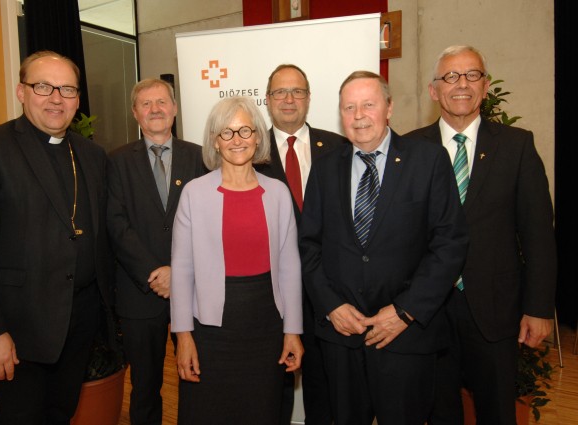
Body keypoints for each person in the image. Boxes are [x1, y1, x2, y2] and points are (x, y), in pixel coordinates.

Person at [0, 50, 114, 424]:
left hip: (79, 321)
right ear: (22, 92)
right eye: (43, 86)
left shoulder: (91, 154)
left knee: (60, 413)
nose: (56, 98)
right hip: (19, 328)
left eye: (67, 89)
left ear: (78, 99)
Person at [299, 71, 468, 425]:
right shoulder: (325, 168)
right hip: (342, 336)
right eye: (349, 107)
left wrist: (405, 311)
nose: (358, 115)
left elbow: (449, 244)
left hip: (406, 335)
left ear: (389, 108)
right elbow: (308, 245)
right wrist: (330, 305)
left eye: (368, 105)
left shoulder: (428, 160)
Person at [406, 45, 557, 425]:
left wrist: (538, 309)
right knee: (439, 413)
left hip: (495, 311)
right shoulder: (408, 149)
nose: (462, 84)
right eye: (450, 77)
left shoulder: (517, 146)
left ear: (486, 86)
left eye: (472, 75)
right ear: (433, 90)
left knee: (497, 413)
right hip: (428, 312)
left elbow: (538, 234)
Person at [170, 96, 304, 424]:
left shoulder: (277, 193)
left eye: (245, 130)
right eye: (226, 133)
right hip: (211, 330)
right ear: (215, 141)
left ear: (258, 136)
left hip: (266, 326)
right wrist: (183, 336)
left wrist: (293, 331)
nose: (237, 140)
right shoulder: (194, 193)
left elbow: (289, 267)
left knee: (262, 412)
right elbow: (182, 270)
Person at [106, 78, 206, 425]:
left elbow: (209, 223)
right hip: (139, 292)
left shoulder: (201, 156)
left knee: (195, 376)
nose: (155, 110)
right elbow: (116, 225)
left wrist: (177, 273)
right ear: (135, 113)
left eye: (162, 102)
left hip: (193, 291)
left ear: (175, 109)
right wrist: (155, 273)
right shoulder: (116, 161)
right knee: (145, 385)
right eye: (146, 104)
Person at [256, 64, 347, 425]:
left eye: (297, 91)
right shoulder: (250, 151)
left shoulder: (339, 147)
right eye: (280, 92)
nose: (289, 99)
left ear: (309, 98)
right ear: (267, 100)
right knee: (273, 389)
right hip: (273, 294)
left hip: (330, 291)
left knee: (326, 389)